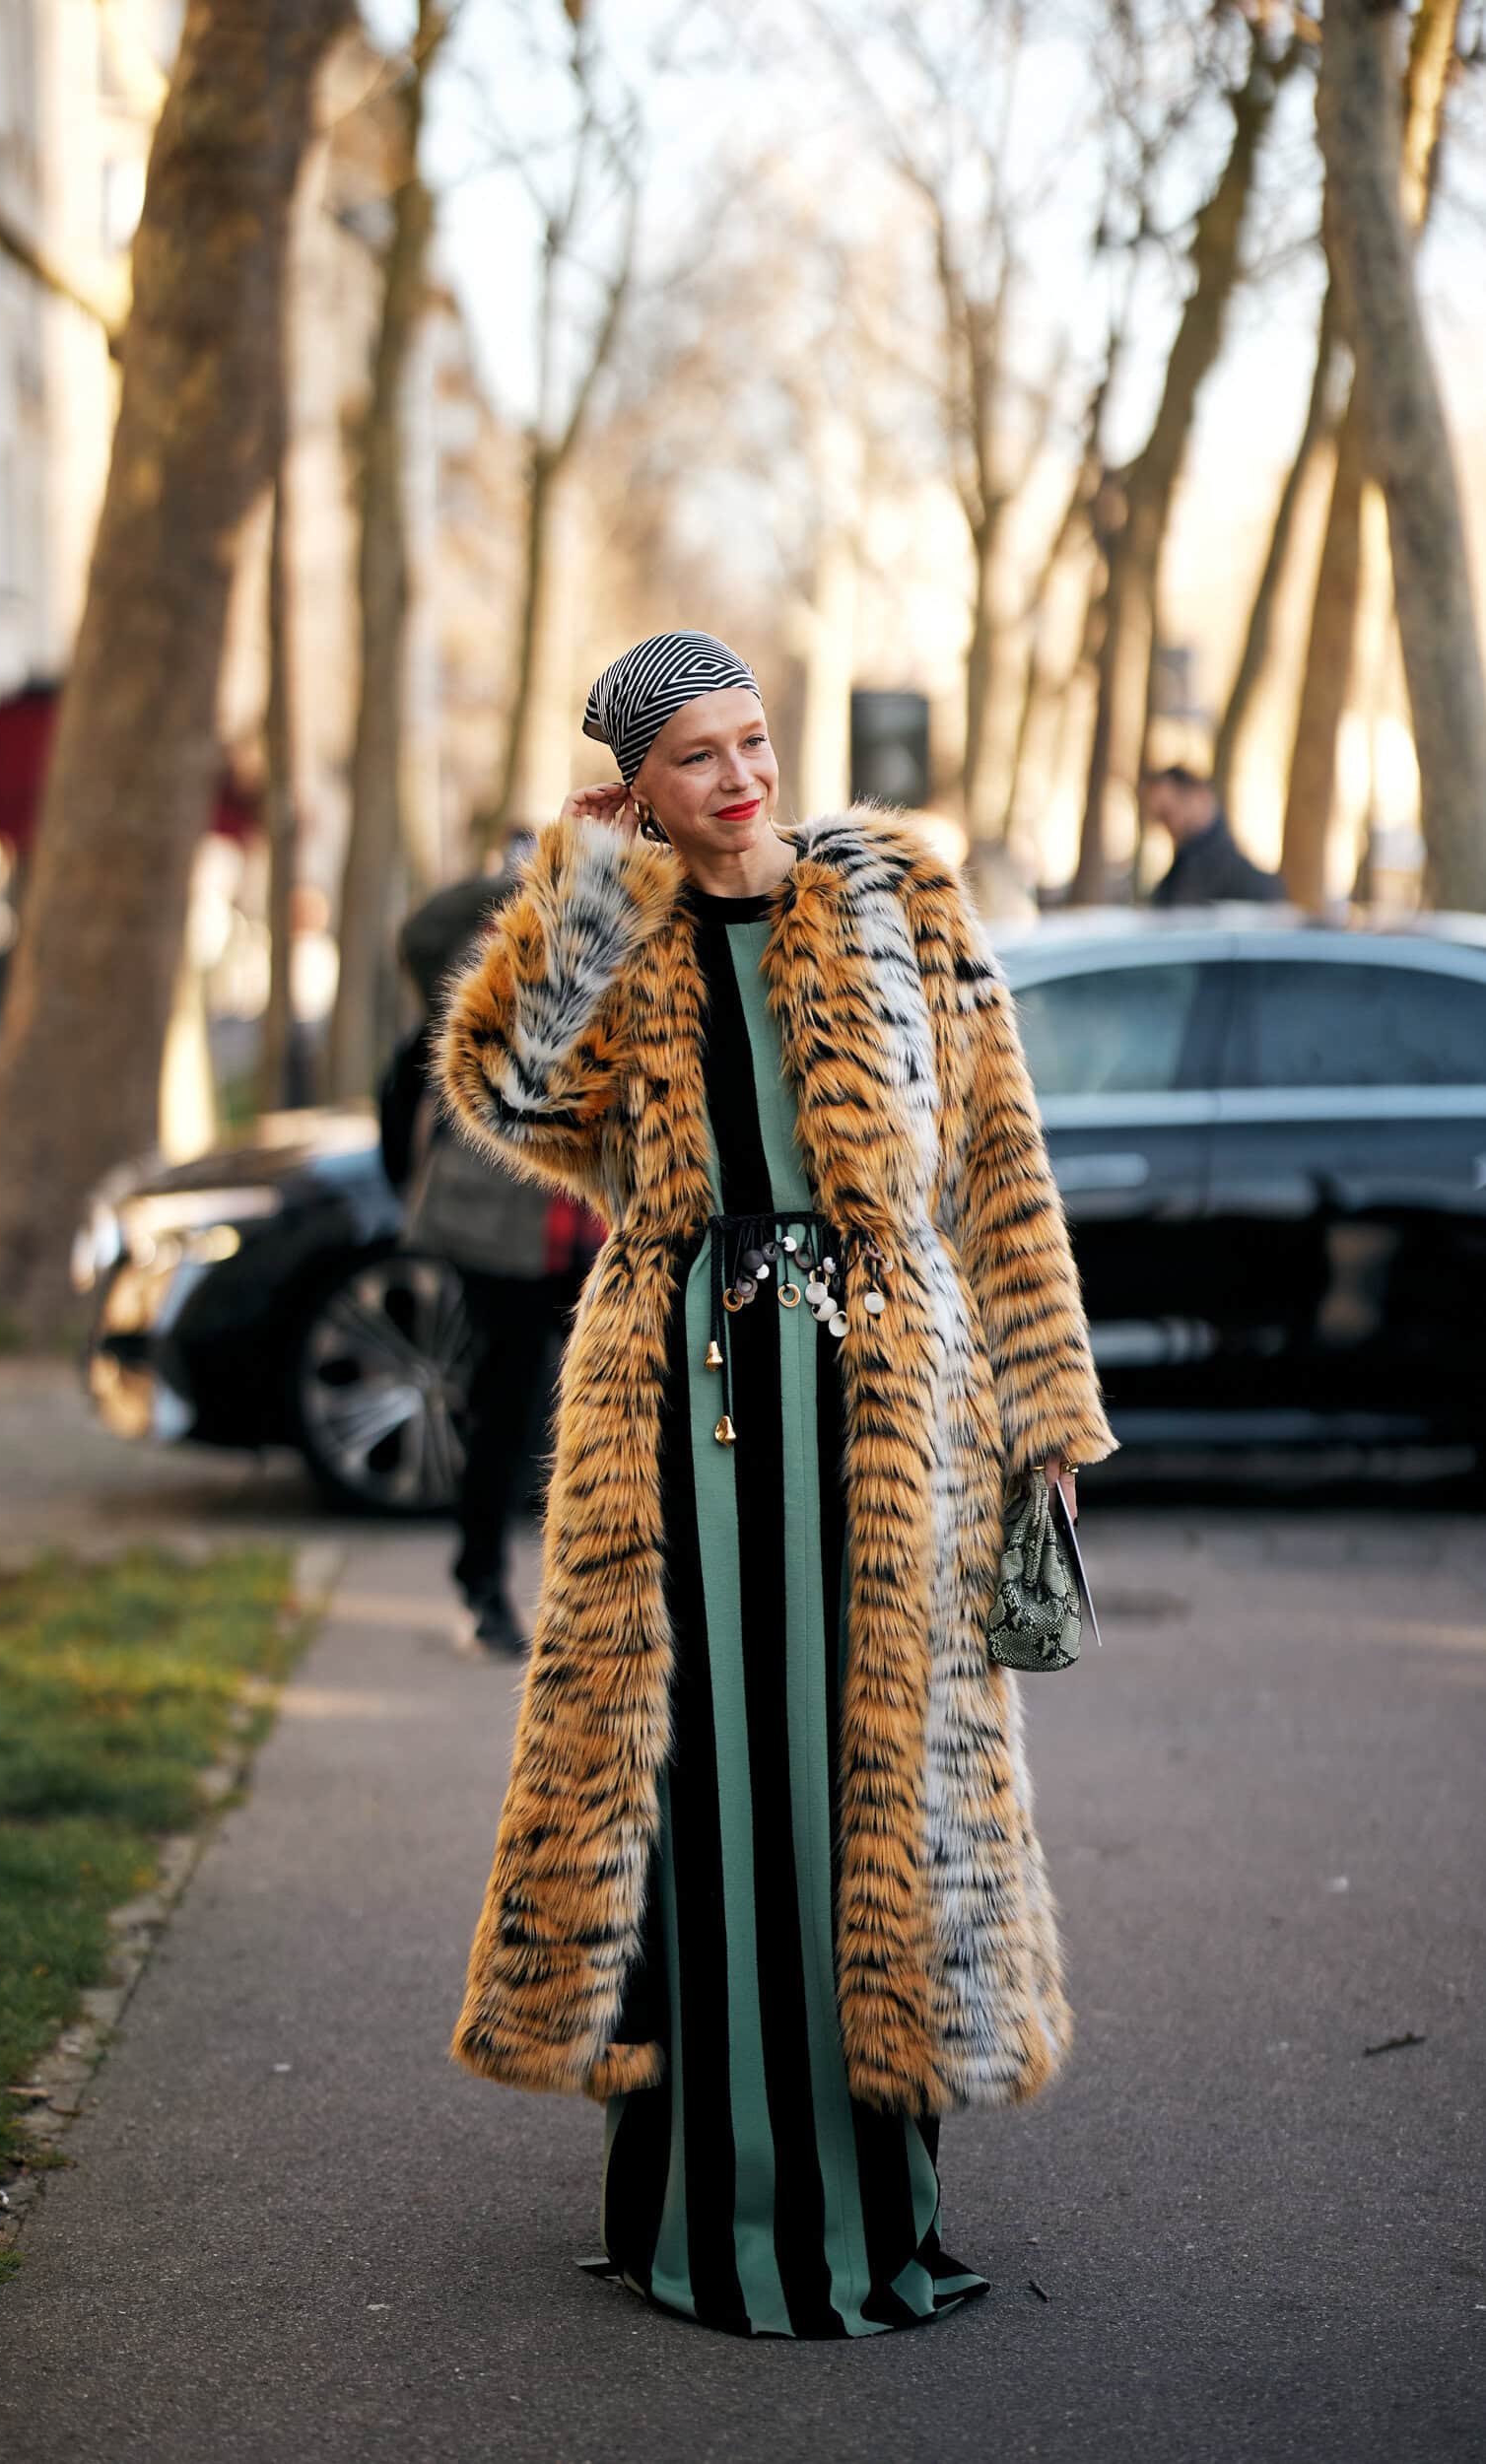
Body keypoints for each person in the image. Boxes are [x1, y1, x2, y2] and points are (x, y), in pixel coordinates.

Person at [438, 630, 1115, 2339]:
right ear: (641, 792)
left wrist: (1045, 1413)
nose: (741, 780)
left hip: (887, 1422)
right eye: (696, 760)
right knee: (696, 1787)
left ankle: (868, 2208)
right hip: (673, 1418)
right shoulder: (633, 929)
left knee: (870, 1787)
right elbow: (507, 1091)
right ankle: (693, 2200)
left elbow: (997, 1163)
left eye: (752, 743)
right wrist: (582, 882)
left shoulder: (902, 905)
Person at [381, 840, 604, 1659]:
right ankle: (483, 1588)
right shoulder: (486, 965)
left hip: (596, 1228)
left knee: (601, 1418)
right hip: (503, 1237)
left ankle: (592, 1602)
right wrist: (522, 877)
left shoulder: (619, 953)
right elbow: (406, 1079)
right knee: (505, 1409)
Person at [1144, 764, 1286, 906]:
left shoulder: (1254, 885)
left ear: (1200, 797)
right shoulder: (1177, 875)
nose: (1168, 825)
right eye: (1160, 818)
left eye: (1167, 813)